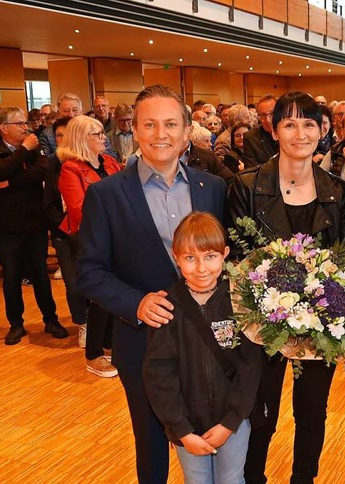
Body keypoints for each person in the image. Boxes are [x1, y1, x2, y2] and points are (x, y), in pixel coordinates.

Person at [77, 84, 227, 483]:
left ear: (186, 130)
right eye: (150, 124)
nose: (161, 134)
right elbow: (88, 271)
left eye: (170, 124)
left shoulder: (211, 188)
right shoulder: (106, 194)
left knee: (215, 433)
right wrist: (135, 303)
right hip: (143, 341)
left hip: (209, 340)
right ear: (135, 131)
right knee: (151, 439)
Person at [228, 91, 345, 484]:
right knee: (260, 412)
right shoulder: (246, 186)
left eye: (309, 124)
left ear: (323, 130)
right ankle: (253, 478)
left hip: (320, 324)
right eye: (289, 123)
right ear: (274, 129)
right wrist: (272, 305)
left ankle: (304, 479)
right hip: (261, 324)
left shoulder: (339, 192)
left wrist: (319, 303)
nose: (299, 133)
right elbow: (238, 257)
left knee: (312, 413)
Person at [144, 212, 261, 484]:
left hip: (233, 419)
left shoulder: (240, 301)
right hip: (186, 424)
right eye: (190, 258)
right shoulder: (166, 307)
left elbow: (250, 366)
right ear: (176, 257)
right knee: (196, 481)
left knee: (231, 479)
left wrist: (230, 422)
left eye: (210, 256)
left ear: (225, 255)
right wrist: (181, 429)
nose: (201, 268)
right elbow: (159, 373)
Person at [0, 107, 67, 345]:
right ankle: (16, 324)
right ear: (3, 129)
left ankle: (51, 319)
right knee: (11, 277)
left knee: (40, 274)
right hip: (6, 226)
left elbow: (41, 170)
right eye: (19, 123)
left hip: (34, 222)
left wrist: (9, 182)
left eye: (25, 123)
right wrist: (23, 151)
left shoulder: (33, 146)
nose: (25, 127)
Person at [58, 115, 122, 375]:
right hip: (90, 239)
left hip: (117, 236)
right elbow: (79, 210)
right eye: (97, 134)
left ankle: (109, 344)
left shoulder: (110, 162)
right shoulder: (70, 169)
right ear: (82, 138)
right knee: (100, 295)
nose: (104, 137)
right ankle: (93, 354)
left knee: (116, 291)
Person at [43, 117, 89, 346]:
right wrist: (65, 223)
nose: (62, 140)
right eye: (58, 136)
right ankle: (82, 323)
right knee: (73, 283)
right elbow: (48, 203)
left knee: (96, 279)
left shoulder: (90, 162)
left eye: (67, 135)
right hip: (64, 233)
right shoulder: (51, 164)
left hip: (90, 233)